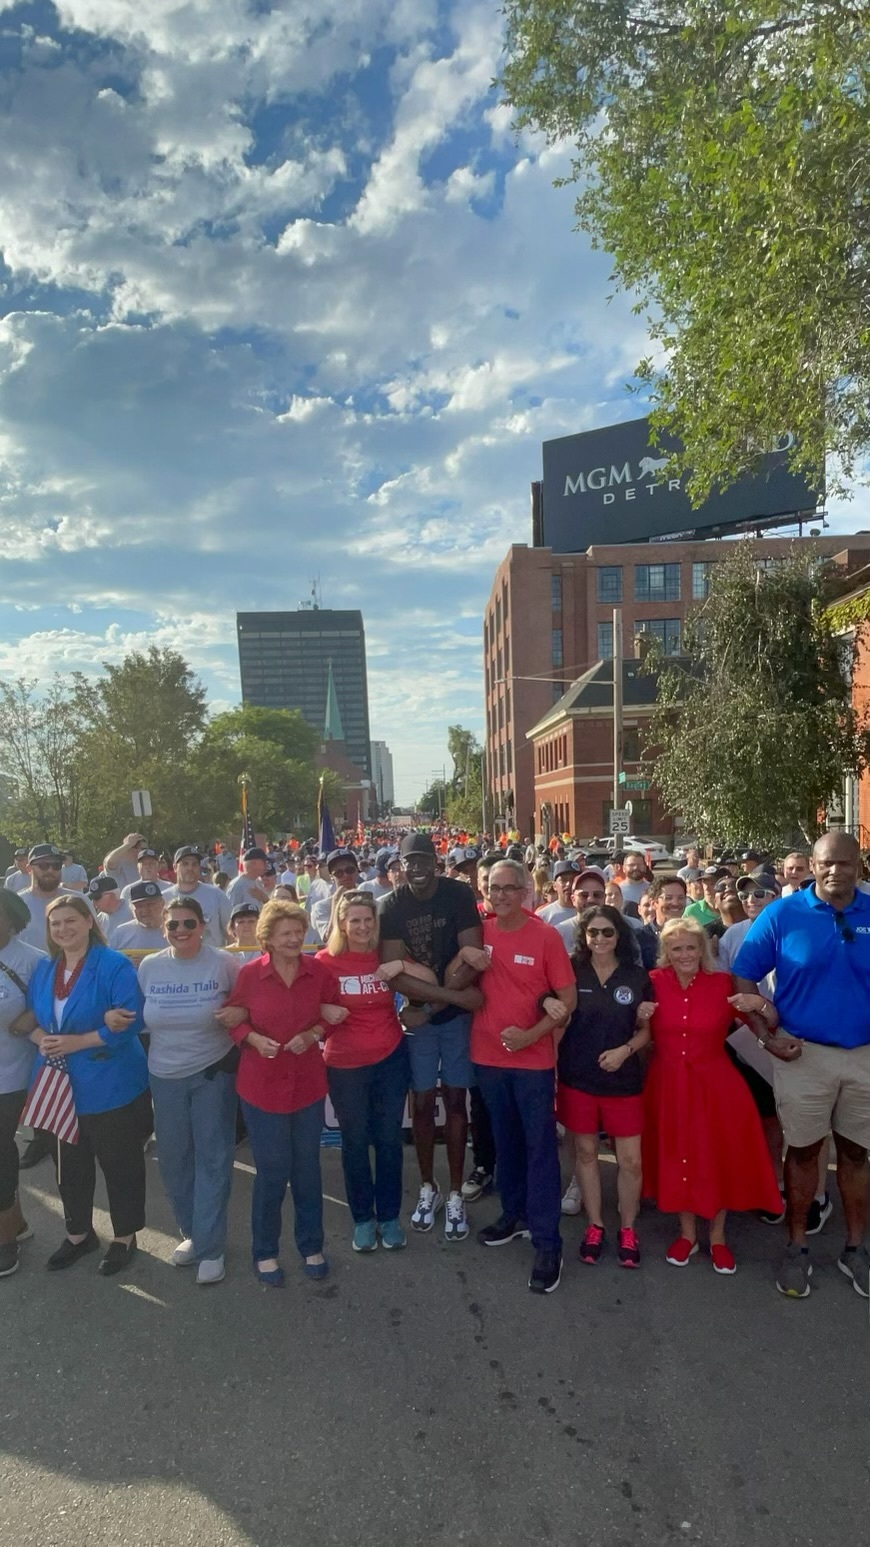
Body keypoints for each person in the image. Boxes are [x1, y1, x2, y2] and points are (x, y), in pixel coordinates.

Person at [733, 830, 870, 1299]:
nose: (835, 871)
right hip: (803, 1054)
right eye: (826, 863)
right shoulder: (781, 914)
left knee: (856, 1154)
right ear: (812, 865)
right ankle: (796, 1246)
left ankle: (855, 1248)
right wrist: (766, 1036)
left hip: (864, 1057)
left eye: (845, 863)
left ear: (858, 865)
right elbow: (743, 975)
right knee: (804, 1153)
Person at [16, 895, 150, 1276]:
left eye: (71, 921)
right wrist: (41, 1036)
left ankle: (124, 1236)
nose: (63, 929)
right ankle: (78, 1234)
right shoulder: (46, 968)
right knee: (68, 1167)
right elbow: (32, 1018)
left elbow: (129, 1023)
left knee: (119, 1163)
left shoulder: (113, 964)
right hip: (58, 1085)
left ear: (89, 921)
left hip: (110, 1084)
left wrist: (79, 1040)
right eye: (56, 923)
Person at [643, 917, 783, 1273]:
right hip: (668, 1084)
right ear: (666, 952)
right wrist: (638, 1017)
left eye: (691, 947)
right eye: (676, 948)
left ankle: (718, 1237)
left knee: (713, 1158)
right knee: (678, 1156)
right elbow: (632, 1025)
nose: (685, 954)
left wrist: (761, 1005)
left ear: (702, 950)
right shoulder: (652, 983)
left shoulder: (723, 984)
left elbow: (765, 1020)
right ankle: (687, 1234)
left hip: (716, 1088)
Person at [222, 899, 341, 1285]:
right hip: (261, 1087)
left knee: (307, 1169)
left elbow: (334, 1014)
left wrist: (313, 1034)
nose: (294, 939)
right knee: (272, 1172)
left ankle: (311, 1245)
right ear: (267, 939)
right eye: (285, 933)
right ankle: (265, 1251)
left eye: (298, 932)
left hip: (307, 1083)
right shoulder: (249, 975)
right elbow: (233, 1021)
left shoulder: (318, 971)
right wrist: (253, 1039)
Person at [471, 859, 576, 1294]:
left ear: (526, 892)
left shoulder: (545, 935)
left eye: (509, 888)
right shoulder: (478, 933)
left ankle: (548, 1242)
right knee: (504, 1142)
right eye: (493, 888)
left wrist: (531, 1034)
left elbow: (567, 999)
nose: (500, 896)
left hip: (531, 1063)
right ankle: (513, 1214)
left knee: (539, 1150)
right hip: (487, 1058)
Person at [379, 831, 484, 1240]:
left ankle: (456, 1191)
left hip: (448, 1018)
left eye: (424, 860)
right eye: (410, 862)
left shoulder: (458, 895)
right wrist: (450, 999)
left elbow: (475, 958)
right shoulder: (390, 906)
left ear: (436, 862)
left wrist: (436, 1006)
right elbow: (395, 974)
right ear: (400, 867)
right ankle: (429, 1186)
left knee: (457, 1102)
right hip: (424, 1013)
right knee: (422, 1103)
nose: (418, 868)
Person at [138, 897, 241, 1285]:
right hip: (163, 1076)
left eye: (188, 924)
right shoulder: (150, 966)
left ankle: (211, 1247)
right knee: (174, 1159)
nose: (180, 931)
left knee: (213, 1158)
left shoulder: (223, 963)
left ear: (203, 926)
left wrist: (238, 1015)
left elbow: (245, 1004)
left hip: (211, 1072)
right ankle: (193, 1233)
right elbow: (137, 1016)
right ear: (164, 930)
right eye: (173, 926)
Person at [558, 905, 655, 1268]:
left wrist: (624, 1051)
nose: (600, 939)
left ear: (619, 936)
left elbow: (646, 1031)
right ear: (584, 936)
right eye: (593, 932)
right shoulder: (570, 971)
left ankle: (627, 1227)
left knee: (630, 1161)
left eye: (607, 932)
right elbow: (549, 1007)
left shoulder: (636, 975)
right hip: (577, 1078)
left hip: (623, 1080)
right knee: (585, 1154)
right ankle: (595, 1224)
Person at [315, 891, 410, 1252]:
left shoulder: (384, 954)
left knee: (388, 1140)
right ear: (342, 923)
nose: (362, 926)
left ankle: (388, 1217)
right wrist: (324, 1010)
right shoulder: (325, 962)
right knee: (354, 1142)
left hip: (389, 1058)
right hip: (344, 1064)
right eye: (355, 920)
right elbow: (304, 1000)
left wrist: (401, 966)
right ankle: (362, 1219)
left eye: (368, 919)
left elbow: (421, 973)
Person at [0, 890, 45, 1277]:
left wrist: (31, 1015)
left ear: (11, 920)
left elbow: (51, 1003)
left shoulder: (32, 960)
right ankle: (16, 1223)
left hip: (11, 1073)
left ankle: (4, 1240)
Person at [165, 846, 232, 948]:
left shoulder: (216, 895)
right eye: (185, 864)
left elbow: (231, 933)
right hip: (173, 961)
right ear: (174, 867)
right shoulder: (164, 898)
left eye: (194, 864)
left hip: (211, 960)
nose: (190, 868)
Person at [19, 845, 74, 950]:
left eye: (56, 865)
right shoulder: (16, 905)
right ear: (29, 869)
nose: (50, 870)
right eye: (43, 865)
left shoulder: (78, 901)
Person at [309, 849, 361, 944]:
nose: (345, 875)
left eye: (349, 870)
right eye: (339, 873)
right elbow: (328, 938)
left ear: (357, 871)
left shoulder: (371, 902)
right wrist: (335, 904)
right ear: (332, 877)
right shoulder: (321, 907)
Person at [637, 875, 687, 970]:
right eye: (668, 898)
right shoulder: (638, 938)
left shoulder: (693, 936)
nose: (675, 903)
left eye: (680, 898)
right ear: (653, 903)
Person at [113, 881, 169, 951]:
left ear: (162, 903)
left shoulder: (175, 930)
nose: (145, 910)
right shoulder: (121, 934)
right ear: (131, 908)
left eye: (150, 904)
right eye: (139, 906)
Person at [88, 874, 132, 943]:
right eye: (92, 899)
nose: (94, 903)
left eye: (97, 898)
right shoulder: (99, 919)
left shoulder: (132, 911)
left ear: (111, 895)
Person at [536, 860, 578, 926]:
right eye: (564, 880)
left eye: (573, 879)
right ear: (554, 886)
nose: (569, 884)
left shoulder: (590, 913)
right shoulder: (543, 916)